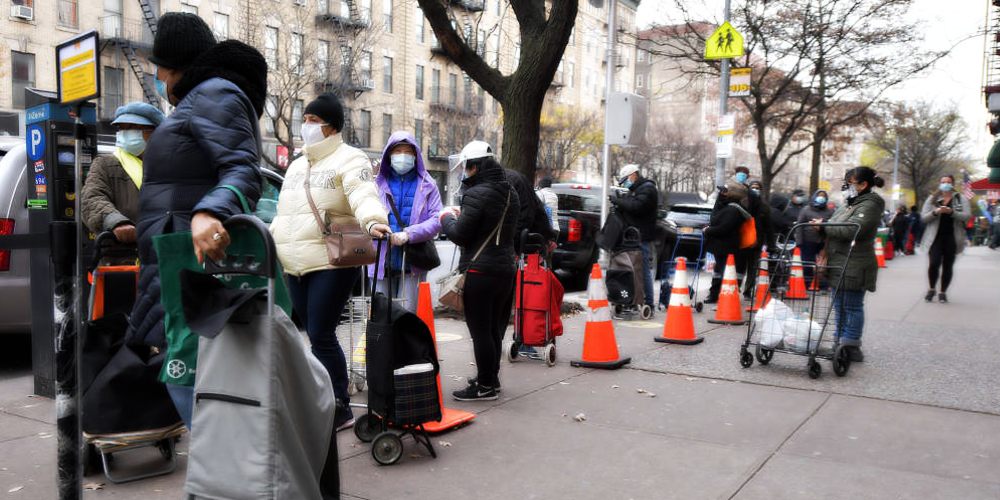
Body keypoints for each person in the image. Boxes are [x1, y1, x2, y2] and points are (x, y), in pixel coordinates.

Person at [127, 13, 266, 428]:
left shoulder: (212, 95)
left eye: (159, 69)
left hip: (193, 268)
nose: (157, 78)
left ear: (174, 66)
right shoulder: (198, 100)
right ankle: (221, 481)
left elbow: (243, 170)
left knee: (193, 385)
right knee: (190, 382)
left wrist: (210, 211)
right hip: (176, 264)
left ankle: (226, 485)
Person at [270, 93, 391, 430]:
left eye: (313, 121)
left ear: (331, 127)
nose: (306, 125)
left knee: (322, 333)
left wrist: (373, 220)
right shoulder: (296, 165)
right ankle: (323, 398)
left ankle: (339, 407)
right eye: (305, 119)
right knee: (313, 332)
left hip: (332, 260)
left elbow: (363, 194)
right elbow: (285, 213)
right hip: (294, 262)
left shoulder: (350, 159)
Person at [441, 141, 519, 401]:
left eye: (465, 167)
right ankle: (491, 379)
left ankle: (485, 386)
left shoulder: (476, 194)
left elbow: (460, 235)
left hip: (480, 271)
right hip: (506, 268)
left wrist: (447, 218)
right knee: (495, 328)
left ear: (474, 167)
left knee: (481, 331)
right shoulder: (510, 192)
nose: (464, 171)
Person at [812, 167, 885, 362]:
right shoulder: (849, 203)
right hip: (839, 261)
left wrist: (825, 227)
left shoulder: (871, 204)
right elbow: (835, 224)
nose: (846, 187)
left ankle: (851, 346)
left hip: (855, 263)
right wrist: (822, 226)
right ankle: (839, 343)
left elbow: (853, 229)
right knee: (839, 306)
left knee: (851, 306)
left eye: (850, 183)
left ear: (863, 184)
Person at [369, 131, 442, 312]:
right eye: (397, 151)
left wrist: (409, 234)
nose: (403, 155)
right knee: (380, 315)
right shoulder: (375, 184)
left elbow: (437, 219)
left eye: (408, 152)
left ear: (416, 155)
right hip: (380, 260)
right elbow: (364, 214)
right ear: (389, 155)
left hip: (413, 262)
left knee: (408, 316)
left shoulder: (428, 185)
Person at [82, 102, 164, 241]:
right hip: (123, 255)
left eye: (133, 127)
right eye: (121, 128)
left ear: (154, 132)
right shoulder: (105, 164)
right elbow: (92, 199)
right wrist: (116, 221)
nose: (125, 133)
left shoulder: (169, 165)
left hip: (165, 250)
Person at [610, 164, 659, 312]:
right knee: (633, 269)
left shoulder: (647, 189)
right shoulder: (638, 190)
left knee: (643, 270)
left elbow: (637, 207)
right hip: (634, 235)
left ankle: (649, 303)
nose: (625, 183)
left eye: (625, 180)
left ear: (633, 175)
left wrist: (618, 202)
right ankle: (633, 300)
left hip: (642, 236)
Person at [919, 174, 972, 303]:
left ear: (952, 184)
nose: (945, 184)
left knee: (948, 266)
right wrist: (936, 212)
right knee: (934, 264)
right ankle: (932, 289)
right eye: (943, 181)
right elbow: (923, 218)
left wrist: (952, 212)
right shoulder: (933, 198)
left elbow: (967, 216)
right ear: (939, 183)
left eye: (948, 182)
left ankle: (943, 292)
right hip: (935, 238)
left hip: (952, 237)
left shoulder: (960, 199)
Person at [704, 179, 753, 303]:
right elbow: (714, 218)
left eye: (724, 191)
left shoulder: (733, 210)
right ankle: (715, 295)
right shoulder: (726, 206)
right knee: (719, 271)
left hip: (726, 247)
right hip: (722, 247)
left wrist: (708, 230)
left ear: (731, 194)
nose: (721, 193)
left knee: (724, 272)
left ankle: (725, 298)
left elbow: (723, 228)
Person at [796, 190, 834, 285]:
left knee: (823, 263)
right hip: (808, 241)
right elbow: (799, 226)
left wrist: (822, 224)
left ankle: (822, 283)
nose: (821, 198)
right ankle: (808, 282)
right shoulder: (806, 210)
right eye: (819, 196)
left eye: (823, 196)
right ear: (814, 197)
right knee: (807, 263)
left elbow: (832, 225)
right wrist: (799, 242)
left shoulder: (829, 211)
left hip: (823, 242)